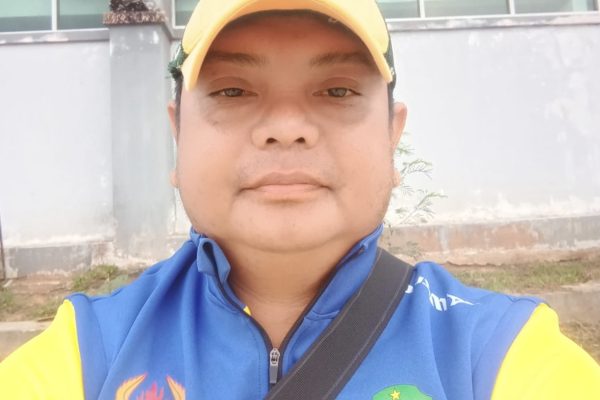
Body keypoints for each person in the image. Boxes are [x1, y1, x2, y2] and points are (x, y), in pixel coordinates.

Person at [1, 1, 599, 399]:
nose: (286, 128)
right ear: (178, 134)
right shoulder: (89, 354)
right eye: (232, 90)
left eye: (337, 90)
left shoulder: (492, 353)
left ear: (391, 137)